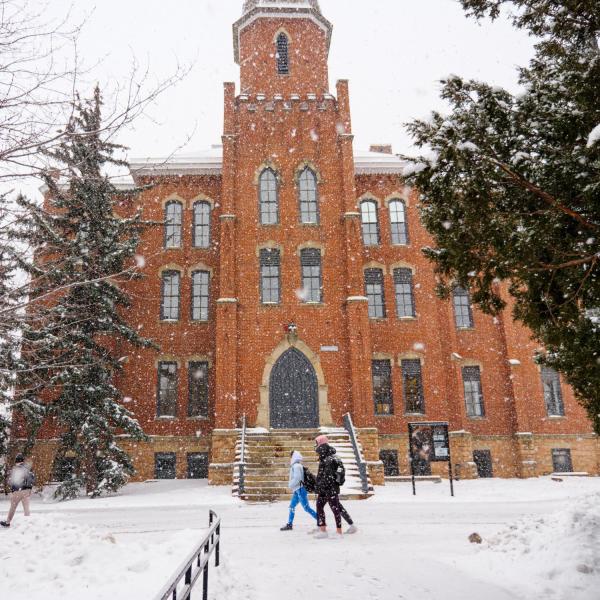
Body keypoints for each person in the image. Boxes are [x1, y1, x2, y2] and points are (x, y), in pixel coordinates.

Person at [314, 435, 357, 538]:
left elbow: (326, 476)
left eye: (316, 443)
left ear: (321, 444)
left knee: (335, 508)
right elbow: (322, 475)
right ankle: (323, 530)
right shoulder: (328, 457)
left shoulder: (328, 458)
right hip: (327, 488)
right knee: (326, 507)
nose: (315, 446)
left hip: (329, 488)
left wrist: (320, 486)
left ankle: (339, 532)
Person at [280, 450, 318, 531]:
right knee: (291, 506)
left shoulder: (297, 466)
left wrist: (290, 485)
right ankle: (289, 524)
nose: (290, 458)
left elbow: (298, 478)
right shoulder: (296, 465)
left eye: (291, 456)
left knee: (307, 508)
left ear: (293, 457)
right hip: (297, 490)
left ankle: (320, 520)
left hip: (300, 490)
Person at [1, 454, 35, 528]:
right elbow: (32, 478)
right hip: (27, 491)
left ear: (17, 461)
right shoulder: (28, 468)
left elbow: (13, 481)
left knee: (13, 507)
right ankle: (28, 524)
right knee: (26, 508)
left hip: (18, 491)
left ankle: (7, 522)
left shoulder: (16, 469)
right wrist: (29, 489)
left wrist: (13, 490)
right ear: (23, 460)